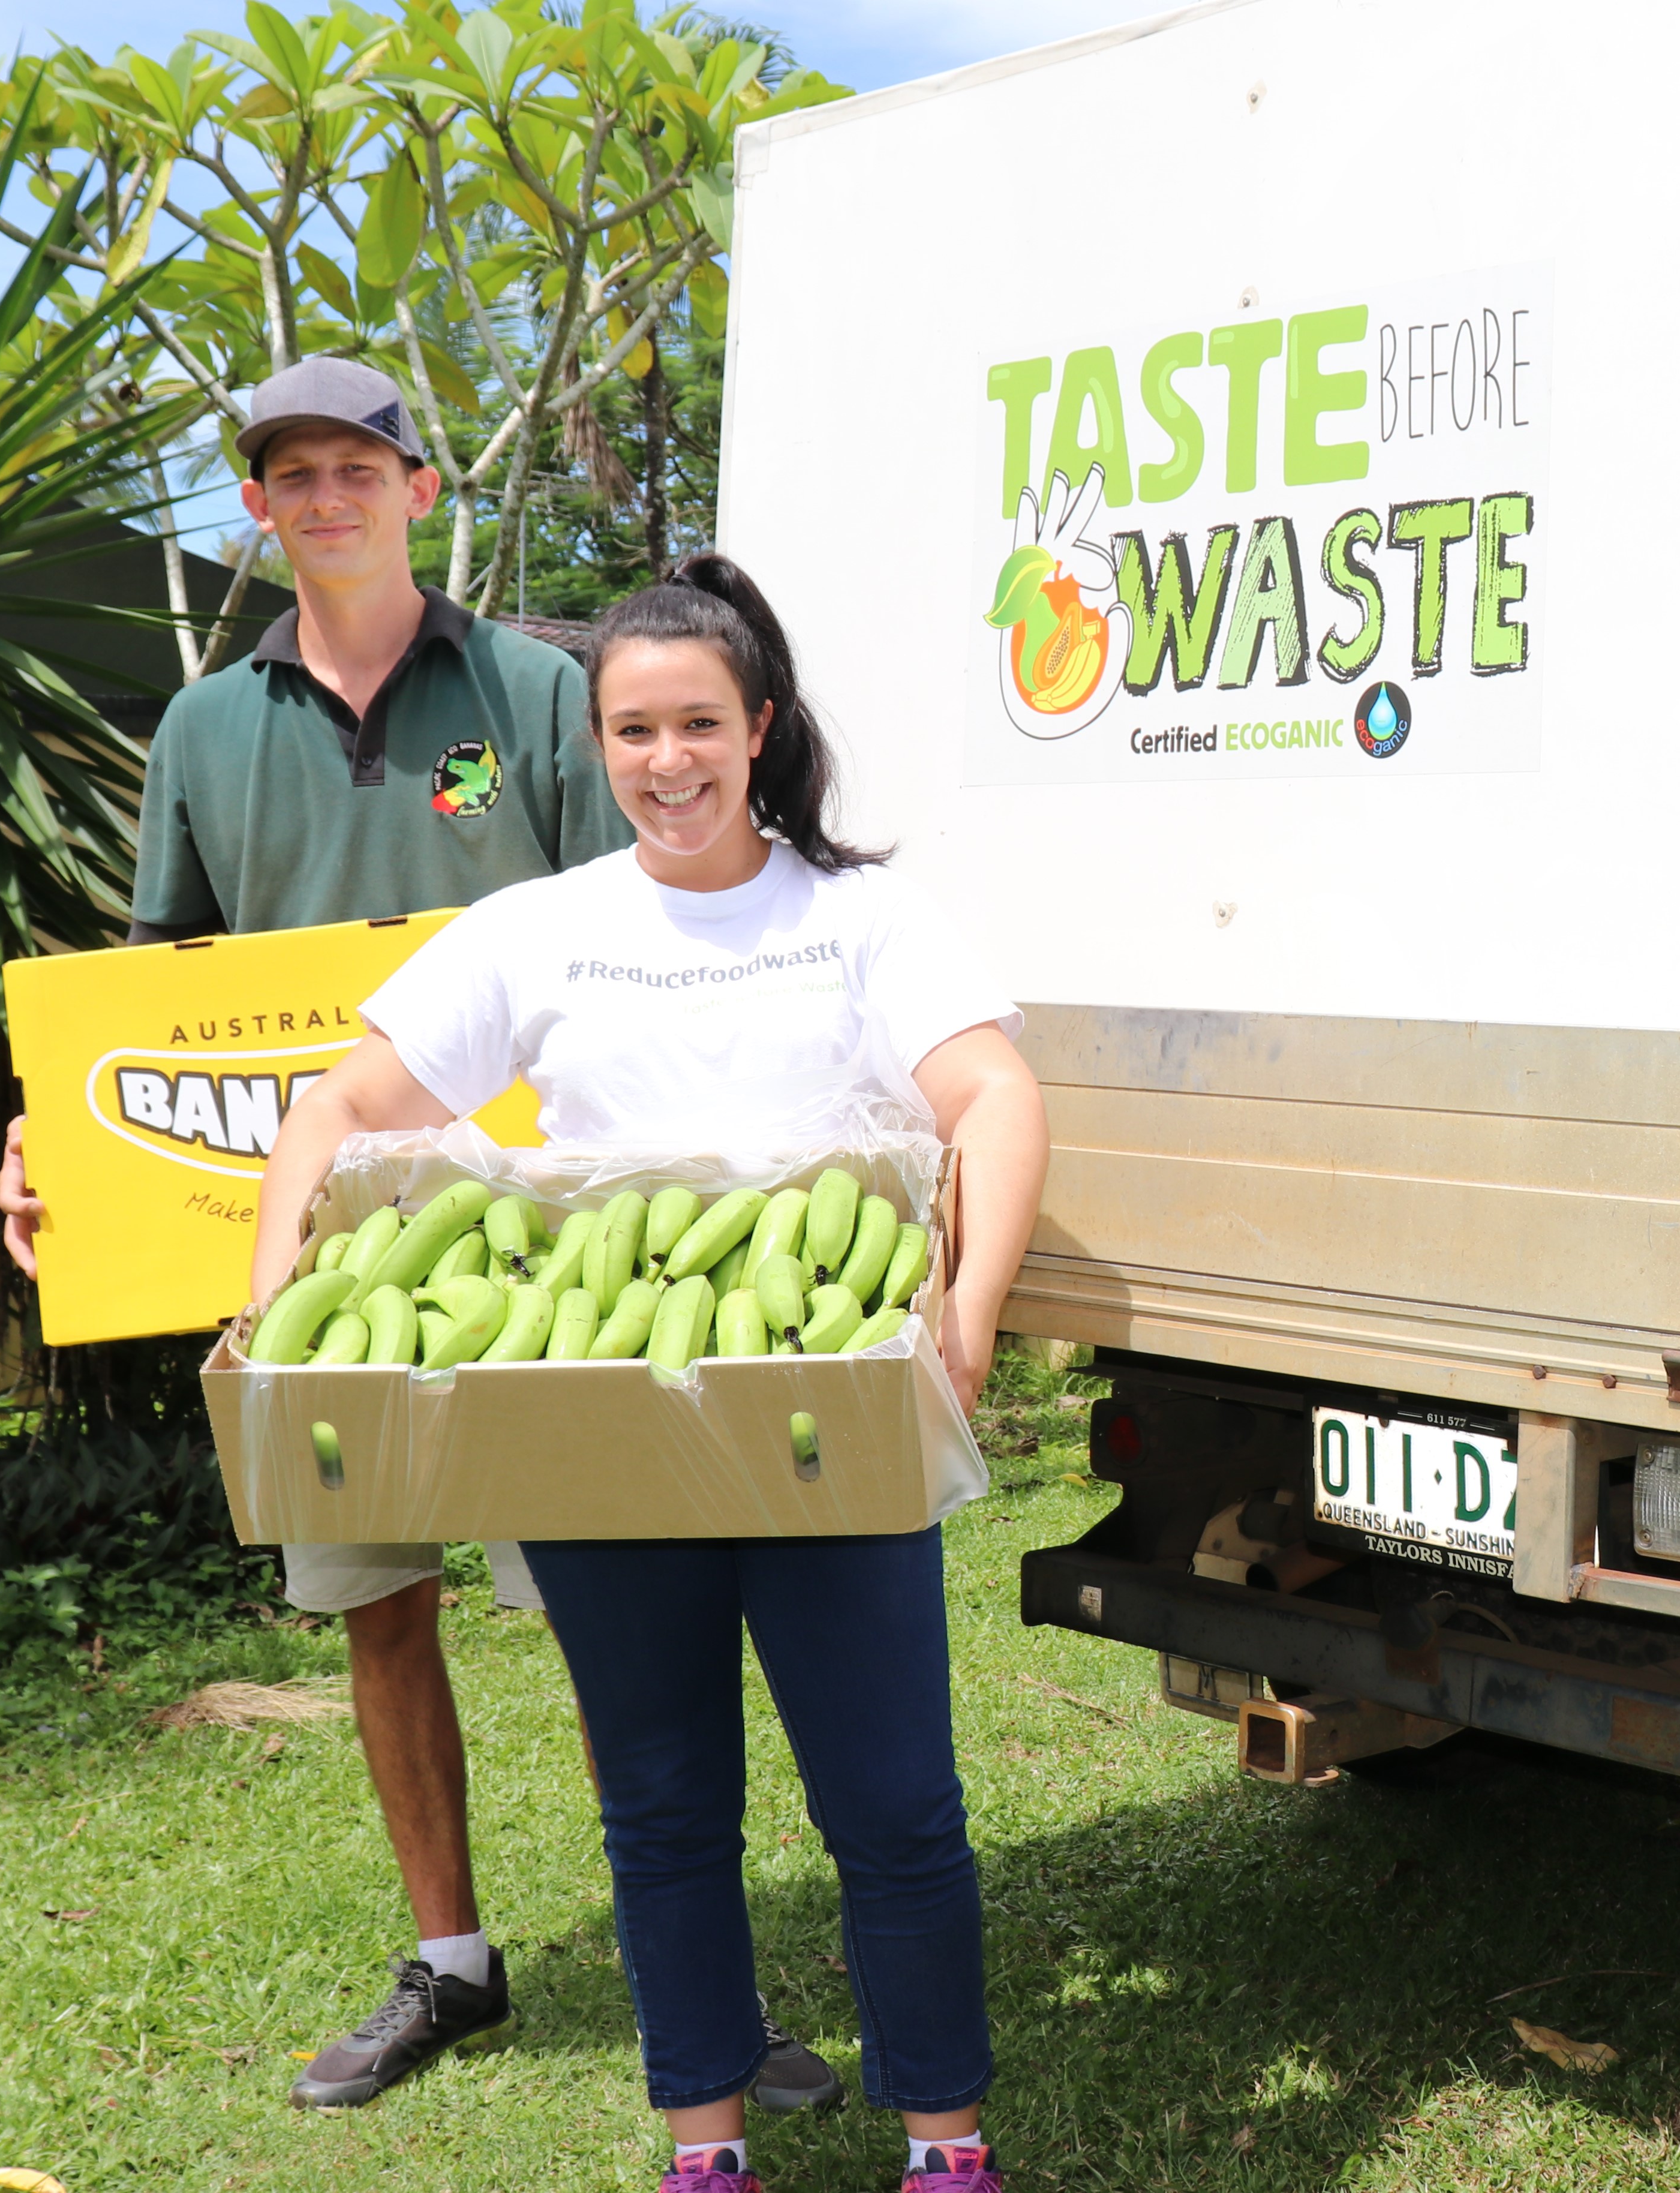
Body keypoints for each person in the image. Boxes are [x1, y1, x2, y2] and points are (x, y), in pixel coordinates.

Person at [0, 359, 841, 2119]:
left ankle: (695, 1969)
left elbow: (650, 907)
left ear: (420, 488)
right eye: (290, 476)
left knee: (621, 1618)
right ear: (259, 508)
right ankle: (449, 1964)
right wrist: (48, 1139)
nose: (326, 499)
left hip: (548, 1243)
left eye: (356, 469)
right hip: (326, 1257)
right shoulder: (204, 728)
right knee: (378, 1599)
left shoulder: (532, 692)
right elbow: (149, 995)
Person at [246, 553, 1048, 2193]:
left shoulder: (855, 917)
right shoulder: (540, 930)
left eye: (697, 723)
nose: (666, 759)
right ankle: (705, 2151)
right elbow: (336, 1113)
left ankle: (944, 2145)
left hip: (824, 1413)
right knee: (665, 1819)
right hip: (608, 1428)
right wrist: (273, 1336)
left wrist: (962, 1311)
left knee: (895, 1813)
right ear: (595, 747)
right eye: (631, 730)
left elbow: (994, 1098)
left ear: (760, 728)